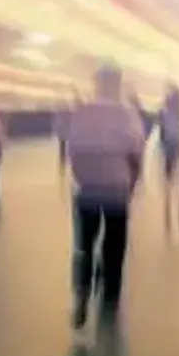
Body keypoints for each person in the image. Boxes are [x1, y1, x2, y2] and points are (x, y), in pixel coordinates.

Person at [66, 64, 145, 330]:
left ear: (97, 84)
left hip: (87, 191)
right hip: (116, 192)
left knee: (84, 247)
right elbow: (136, 153)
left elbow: (72, 151)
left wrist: (81, 177)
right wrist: (132, 185)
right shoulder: (127, 114)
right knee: (114, 249)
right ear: (117, 85)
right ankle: (109, 305)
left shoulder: (82, 112)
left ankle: (82, 297)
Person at [157, 84, 179, 232]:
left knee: (169, 180)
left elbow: (161, 133)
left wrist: (162, 148)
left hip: (169, 146)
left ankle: (168, 210)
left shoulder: (164, 112)